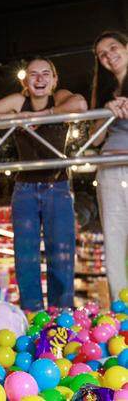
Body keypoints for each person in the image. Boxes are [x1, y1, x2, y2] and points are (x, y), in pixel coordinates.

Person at [0, 57, 88, 311]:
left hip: (58, 186)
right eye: (33, 74)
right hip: (24, 189)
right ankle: (32, 313)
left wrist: (40, 116)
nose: (40, 79)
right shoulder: (17, 101)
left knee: (62, 255)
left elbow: (80, 104)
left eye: (46, 74)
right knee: (26, 257)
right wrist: (16, 117)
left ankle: (61, 313)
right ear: (25, 81)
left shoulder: (61, 98)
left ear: (55, 80)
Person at [90, 30, 128, 300]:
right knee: (114, 242)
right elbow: (94, 139)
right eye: (102, 54)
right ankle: (121, 308)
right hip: (109, 167)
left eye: (113, 48)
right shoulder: (104, 92)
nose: (108, 56)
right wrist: (106, 112)